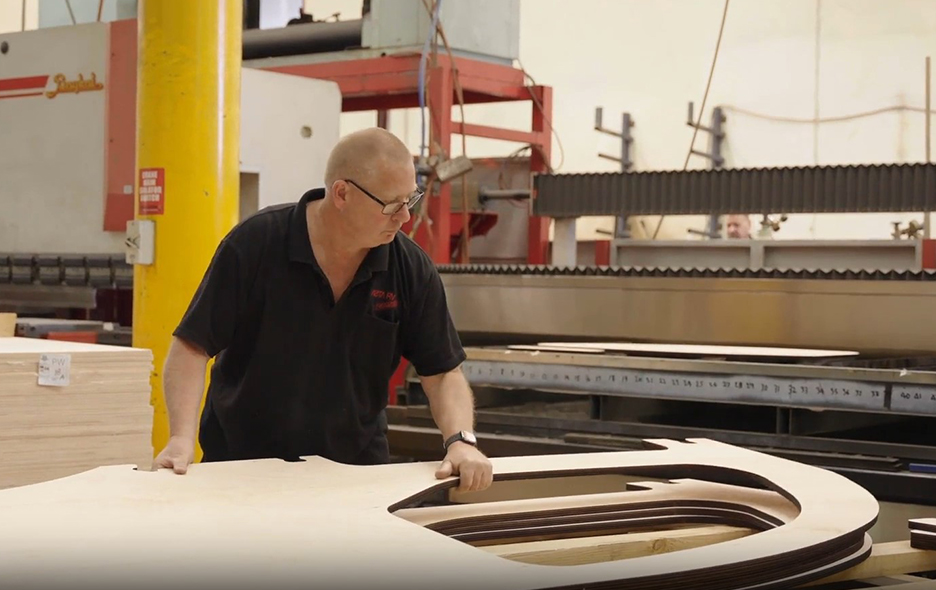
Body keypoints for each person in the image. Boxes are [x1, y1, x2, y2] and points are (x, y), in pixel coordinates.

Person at [152, 127, 494, 492]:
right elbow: (192, 347)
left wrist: (461, 441)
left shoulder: (409, 267)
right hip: (242, 468)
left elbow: (441, 372)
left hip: (355, 474)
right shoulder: (255, 245)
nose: (405, 218)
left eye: (410, 201)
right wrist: (181, 440)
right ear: (342, 193)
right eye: (392, 205)